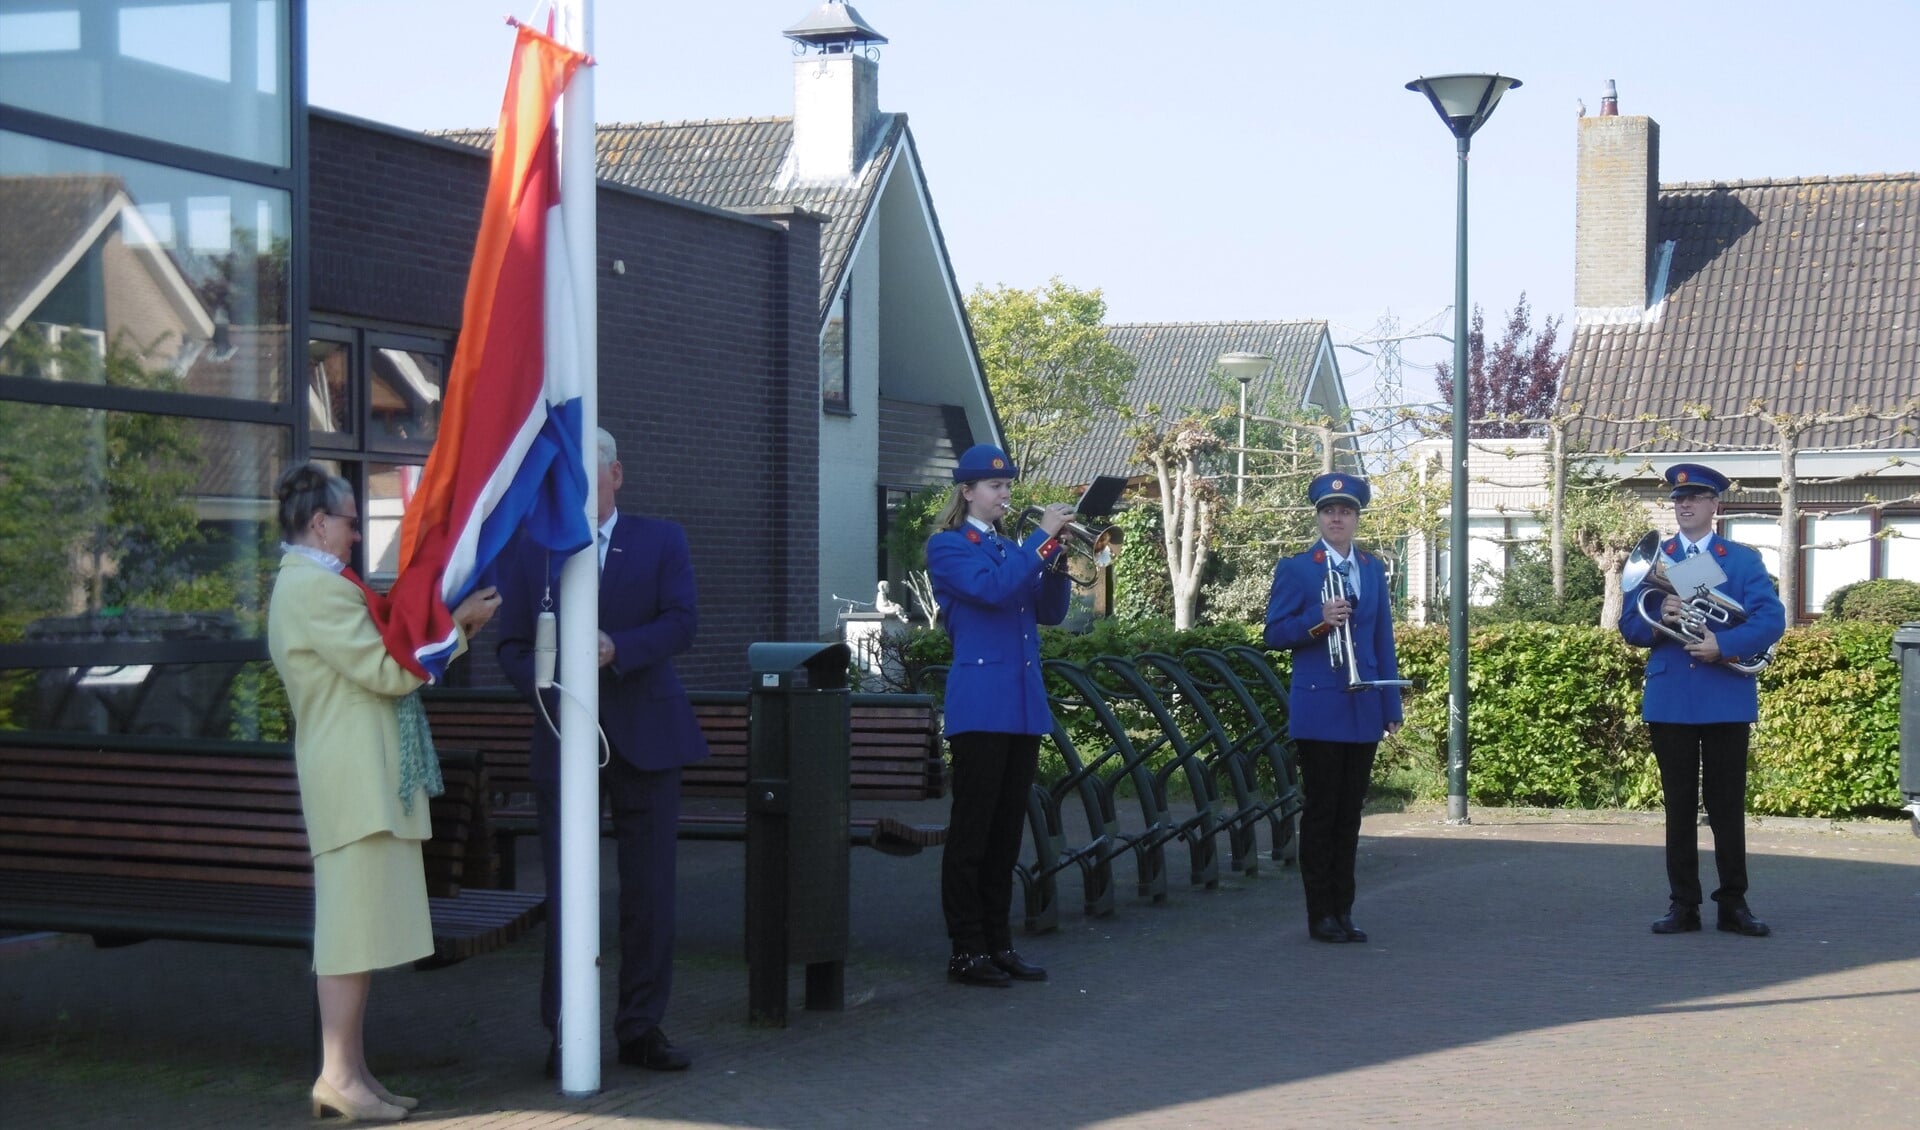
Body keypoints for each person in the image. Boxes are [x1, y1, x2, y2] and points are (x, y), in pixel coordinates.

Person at [267, 461, 501, 1122]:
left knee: (358, 935)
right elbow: (386, 670)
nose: (355, 535)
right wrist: (456, 630)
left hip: (354, 776)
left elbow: (383, 653)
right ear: (318, 523)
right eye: (348, 521)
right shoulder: (315, 591)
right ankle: (339, 1076)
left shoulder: (317, 584)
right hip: (353, 780)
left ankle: (353, 1074)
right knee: (347, 938)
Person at [497, 428, 708, 1077]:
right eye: (570, 480)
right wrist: (551, 673)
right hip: (565, 744)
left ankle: (641, 1027)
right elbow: (507, 646)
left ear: (617, 475)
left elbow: (682, 622)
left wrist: (620, 648)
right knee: (568, 894)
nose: (582, 490)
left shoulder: (661, 539)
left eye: (592, 476)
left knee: (649, 895)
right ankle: (566, 1028)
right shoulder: (531, 550)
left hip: (646, 740)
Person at [925, 443, 1074, 986]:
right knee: (973, 833)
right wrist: (1039, 544)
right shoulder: (947, 546)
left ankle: (998, 942)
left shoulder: (1015, 549)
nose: (1005, 494)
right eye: (995, 487)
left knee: (1006, 832)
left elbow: (1050, 613)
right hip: (981, 705)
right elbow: (989, 591)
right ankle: (966, 950)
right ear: (967, 492)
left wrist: (1055, 562)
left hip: (1020, 705)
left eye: (1009, 486)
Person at [1621, 463, 1785, 938]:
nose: (1685, 504)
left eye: (1695, 497)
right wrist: (1662, 614)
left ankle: (1733, 904)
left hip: (1725, 697)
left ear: (1716, 505)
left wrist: (1724, 645)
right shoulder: (1656, 558)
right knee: (1678, 808)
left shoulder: (1739, 559)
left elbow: (1770, 620)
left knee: (1727, 806)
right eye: (1678, 499)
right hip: (1671, 698)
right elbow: (1630, 629)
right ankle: (1683, 905)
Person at [1263, 472, 1403, 944]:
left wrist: (1391, 705)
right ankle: (1319, 914)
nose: (1336, 517)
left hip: (1363, 708)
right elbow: (1274, 634)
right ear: (1319, 518)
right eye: (1328, 511)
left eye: (1345, 510)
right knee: (1322, 814)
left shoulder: (1373, 567)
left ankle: (1344, 910)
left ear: (1357, 517)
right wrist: (1317, 621)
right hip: (1320, 708)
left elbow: (1382, 638)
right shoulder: (1298, 568)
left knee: (1350, 816)